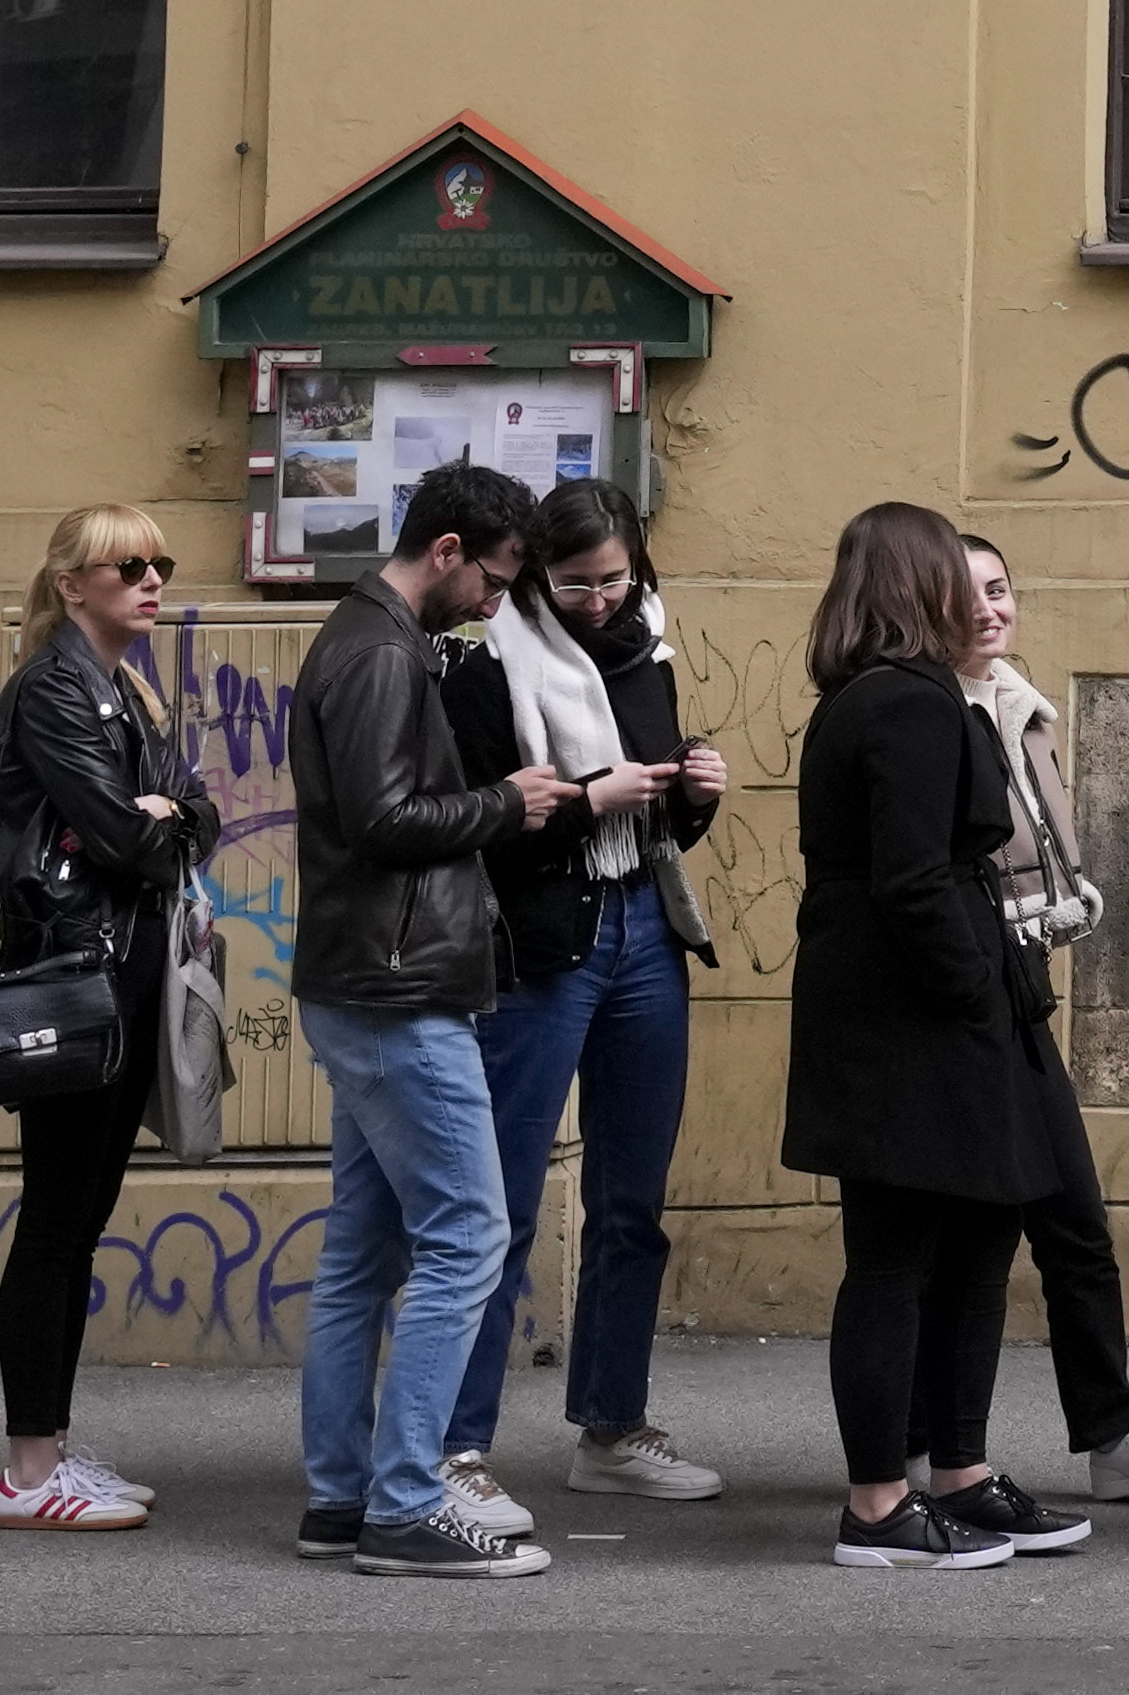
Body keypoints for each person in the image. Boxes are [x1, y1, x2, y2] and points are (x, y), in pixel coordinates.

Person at [291, 468, 571, 1579]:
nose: (497, 602)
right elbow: (383, 820)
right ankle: (404, 1506)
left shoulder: (381, 639)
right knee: (467, 1239)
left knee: (363, 1254)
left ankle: (340, 1500)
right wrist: (513, 802)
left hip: (372, 980)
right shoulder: (378, 650)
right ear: (447, 548)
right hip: (397, 990)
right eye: (496, 580)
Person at [783, 500, 1067, 1570]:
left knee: (961, 1247)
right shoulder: (908, 705)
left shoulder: (875, 698)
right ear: (920, 583)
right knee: (899, 1261)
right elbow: (913, 879)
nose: (972, 590)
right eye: (954, 571)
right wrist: (972, 996)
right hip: (916, 1016)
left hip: (897, 1005)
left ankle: (952, 1472)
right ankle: (876, 1506)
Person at [456, 483, 730, 1523]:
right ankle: (456, 1446)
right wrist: (585, 809)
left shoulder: (647, 638)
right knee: (502, 1203)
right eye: (577, 584)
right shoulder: (491, 655)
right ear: (533, 574)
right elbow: (482, 822)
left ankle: (612, 1428)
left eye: (616, 577)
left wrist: (691, 793)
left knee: (632, 1201)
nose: (602, 600)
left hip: (645, 930)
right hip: (542, 946)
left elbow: (657, 815)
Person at [956, 541, 1129, 1509]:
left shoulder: (1017, 706)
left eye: (1000, 589)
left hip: (1020, 979)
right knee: (973, 1235)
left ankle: (1110, 1431)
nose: (989, 609)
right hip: (965, 992)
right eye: (967, 594)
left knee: (1071, 1217)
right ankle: (929, 1445)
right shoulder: (930, 715)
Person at [0, 505, 217, 1534]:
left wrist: (168, 816)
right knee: (56, 1220)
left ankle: (51, 1451)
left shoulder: (125, 688)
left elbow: (193, 816)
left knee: (74, 1220)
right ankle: (30, 1471)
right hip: (71, 975)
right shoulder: (54, 687)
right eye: (128, 566)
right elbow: (130, 836)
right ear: (73, 584)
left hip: (114, 973)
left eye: (160, 563)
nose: (151, 579)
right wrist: (152, 818)